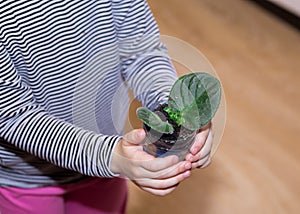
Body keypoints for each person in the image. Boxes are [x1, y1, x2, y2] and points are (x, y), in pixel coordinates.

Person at [0, 0, 213, 213]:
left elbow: (142, 53)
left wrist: (174, 111)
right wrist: (108, 156)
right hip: (25, 180)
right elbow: (14, 116)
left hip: (107, 164)